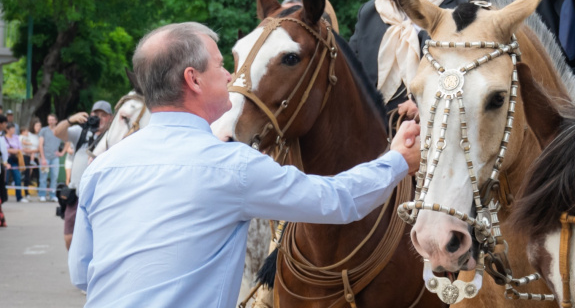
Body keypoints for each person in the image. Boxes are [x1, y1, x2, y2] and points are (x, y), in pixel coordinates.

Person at [67, 22, 421, 307]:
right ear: (193, 79)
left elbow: (82, 273)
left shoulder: (102, 168)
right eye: (223, 66)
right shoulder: (230, 167)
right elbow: (335, 200)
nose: (231, 77)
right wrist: (397, 161)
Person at [350, 0, 485, 117]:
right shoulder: (369, 14)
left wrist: (427, 103)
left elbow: (488, 81)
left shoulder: (474, 7)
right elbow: (351, 78)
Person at [54, 101, 113, 250]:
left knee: (96, 239)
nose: (99, 118)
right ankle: (74, 262)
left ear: (111, 118)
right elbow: (57, 133)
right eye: (96, 114)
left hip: (100, 196)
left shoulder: (113, 136)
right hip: (76, 195)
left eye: (103, 115)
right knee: (69, 237)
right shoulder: (81, 132)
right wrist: (70, 120)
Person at [38, 114, 65, 202]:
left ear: (56, 121)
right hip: (45, 157)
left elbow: (67, 141)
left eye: (52, 120)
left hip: (55, 157)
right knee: (43, 177)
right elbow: (40, 145)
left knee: (54, 177)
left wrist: (62, 152)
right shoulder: (43, 130)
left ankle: (52, 195)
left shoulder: (59, 131)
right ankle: (42, 194)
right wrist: (43, 158)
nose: (51, 121)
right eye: (49, 120)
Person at [1, 123, 26, 203]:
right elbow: (4, 149)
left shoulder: (16, 137)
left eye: (14, 129)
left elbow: (20, 148)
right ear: (7, 130)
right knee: (5, 178)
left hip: (15, 159)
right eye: (11, 129)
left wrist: (15, 150)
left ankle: (19, 197)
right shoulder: (3, 138)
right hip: (6, 159)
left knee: (17, 178)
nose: (13, 130)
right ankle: (3, 197)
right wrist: (14, 150)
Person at [19, 119, 42, 198]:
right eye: (37, 126)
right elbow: (22, 145)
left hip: (36, 157)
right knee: (27, 174)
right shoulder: (27, 134)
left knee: (38, 174)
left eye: (40, 126)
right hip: (27, 156)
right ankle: (26, 192)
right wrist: (34, 150)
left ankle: (39, 192)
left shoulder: (40, 136)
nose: (39, 127)